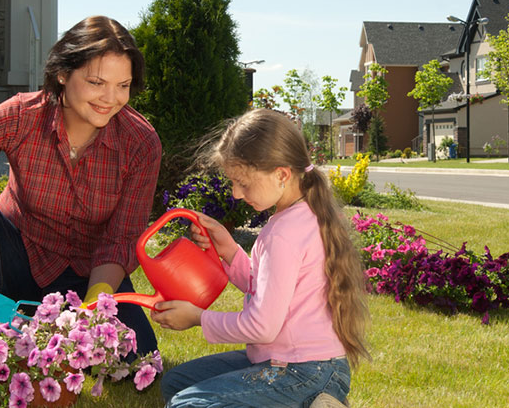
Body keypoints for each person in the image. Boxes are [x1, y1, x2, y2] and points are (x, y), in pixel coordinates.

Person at [0, 15, 160, 355]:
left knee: (137, 358)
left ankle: (37, 331)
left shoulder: (141, 143)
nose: (111, 98)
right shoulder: (23, 115)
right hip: (13, 263)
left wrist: (94, 306)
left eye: (123, 85)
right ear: (63, 74)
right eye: (97, 82)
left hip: (88, 275)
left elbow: (120, 239)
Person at [150, 109, 369, 407]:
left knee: (184, 405)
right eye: (233, 182)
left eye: (244, 183)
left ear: (281, 174)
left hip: (302, 372)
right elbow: (267, 288)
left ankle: (314, 402)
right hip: (302, 364)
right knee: (176, 383)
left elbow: (262, 326)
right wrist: (227, 249)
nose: (236, 194)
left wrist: (198, 318)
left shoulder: (284, 234)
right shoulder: (297, 215)